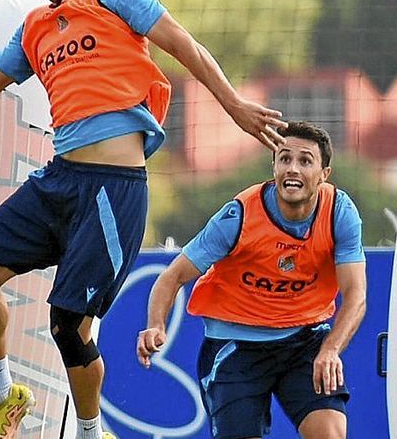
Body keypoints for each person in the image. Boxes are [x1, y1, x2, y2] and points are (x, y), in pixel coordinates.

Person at [0, 0, 287, 438]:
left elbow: (183, 44)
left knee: (68, 327)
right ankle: (3, 397)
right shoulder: (34, 28)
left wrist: (235, 105)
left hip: (113, 192)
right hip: (59, 182)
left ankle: (92, 432)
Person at [137, 121, 367, 439]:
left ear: (324, 174)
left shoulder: (339, 212)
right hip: (235, 348)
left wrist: (330, 350)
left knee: (330, 433)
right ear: (273, 165)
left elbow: (356, 296)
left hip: (305, 341)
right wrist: (155, 325)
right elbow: (173, 276)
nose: (292, 169)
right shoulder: (240, 216)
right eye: (284, 158)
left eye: (305, 161)